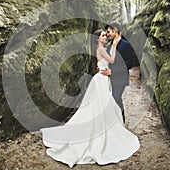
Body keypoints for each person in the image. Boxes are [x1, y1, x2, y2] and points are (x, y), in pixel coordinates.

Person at [40, 29, 140, 168]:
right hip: (101, 81)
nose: (106, 36)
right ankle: (103, 132)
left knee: (104, 106)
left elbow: (114, 62)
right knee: (102, 106)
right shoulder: (101, 49)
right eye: (103, 35)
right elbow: (111, 60)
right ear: (98, 39)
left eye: (107, 34)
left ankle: (111, 128)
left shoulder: (103, 48)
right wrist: (115, 47)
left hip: (104, 79)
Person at [101, 21, 133, 123]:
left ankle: (121, 122)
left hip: (120, 78)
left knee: (116, 98)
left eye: (109, 32)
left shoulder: (125, 45)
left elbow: (129, 64)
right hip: (110, 78)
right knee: (111, 99)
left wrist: (112, 71)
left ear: (115, 31)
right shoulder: (110, 45)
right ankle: (114, 123)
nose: (107, 34)